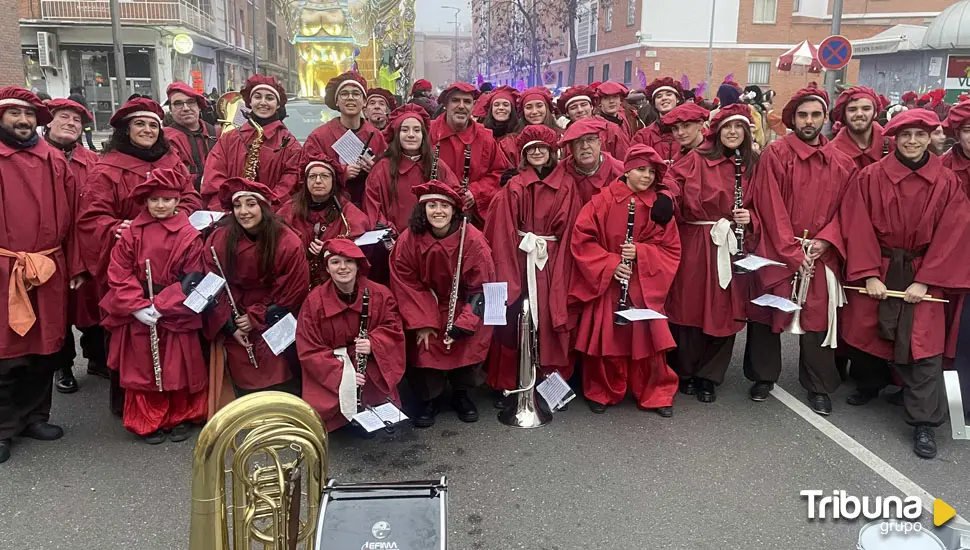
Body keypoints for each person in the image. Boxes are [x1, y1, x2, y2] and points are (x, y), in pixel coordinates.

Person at [839, 109, 970, 459]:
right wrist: (868, 273)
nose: (912, 141)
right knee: (868, 329)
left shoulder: (946, 182)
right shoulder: (869, 177)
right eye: (905, 135)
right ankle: (870, 384)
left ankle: (924, 422)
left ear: (931, 138)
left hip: (924, 269)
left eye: (920, 135)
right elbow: (857, 224)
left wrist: (926, 281)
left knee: (925, 346)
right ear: (893, 138)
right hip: (880, 264)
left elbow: (953, 233)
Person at [745, 85, 856, 416]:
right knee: (767, 313)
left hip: (820, 251)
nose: (809, 121)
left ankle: (819, 384)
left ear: (825, 118)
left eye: (816, 115)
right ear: (793, 118)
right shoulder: (775, 154)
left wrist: (826, 241)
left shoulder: (843, 162)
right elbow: (769, 203)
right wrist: (791, 249)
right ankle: (763, 376)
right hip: (778, 248)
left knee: (817, 318)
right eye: (803, 115)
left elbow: (848, 210)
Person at [0, 87, 86, 465]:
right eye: (14, 114)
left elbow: (75, 218)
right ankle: (3, 428)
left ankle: (35, 417)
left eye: (29, 115)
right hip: (4, 269)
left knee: (44, 349)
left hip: (49, 268)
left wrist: (77, 265)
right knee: (5, 354)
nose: (23, 121)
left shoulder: (53, 160)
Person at [569, 144, 681, 416]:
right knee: (607, 340)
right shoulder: (602, 200)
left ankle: (654, 393)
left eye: (652, 172)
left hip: (643, 284)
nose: (646, 177)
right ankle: (602, 390)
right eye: (641, 170)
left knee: (649, 342)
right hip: (611, 283)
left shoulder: (659, 205)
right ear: (627, 170)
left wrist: (641, 252)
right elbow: (582, 239)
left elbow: (671, 248)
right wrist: (612, 263)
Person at [99, 168, 207, 444]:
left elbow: (193, 276)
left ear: (177, 201)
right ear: (146, 201)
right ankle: (149, 419)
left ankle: (179, 415)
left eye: (167, 200)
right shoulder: (133, 232)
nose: (161, 205)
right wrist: (136, 305)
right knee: (144, 368)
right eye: (155, 200)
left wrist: (162, 305)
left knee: (178, 365)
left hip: (174, 308)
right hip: (138, 307)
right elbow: (119, 270)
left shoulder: (189, 234)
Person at [663, 104, 758, 403]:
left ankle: (710, 376)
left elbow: (768, 201)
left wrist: (751, 217)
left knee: (723, 310)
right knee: (688, 307)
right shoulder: (696, 158)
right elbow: (671, 184)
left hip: (730, 242)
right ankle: (685, 370)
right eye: (727, 127)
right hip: (695, 239)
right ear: (716, 130)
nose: (732, 132)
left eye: (738, 127)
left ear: (746, 131)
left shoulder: (755, 164)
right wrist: (665, 200)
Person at [484, 125, 581, 399]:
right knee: (515, 317)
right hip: (518, 256)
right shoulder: (514, 185)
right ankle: (511, 379)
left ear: (552, 151)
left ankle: (549, 383)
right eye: (531, 148)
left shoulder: (567, 184)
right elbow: (501, 228)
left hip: (550, 261)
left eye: (542, 147)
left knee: (551, 317)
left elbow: (572, 228)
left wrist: (563, 268)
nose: (537, 151)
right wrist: (508, 274)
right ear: (525, 153)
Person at [389, 180, 495, 428]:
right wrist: (423, 323)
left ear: (454, 211)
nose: (438, 211)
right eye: (432, 205)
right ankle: (429, 399)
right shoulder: (409, 239)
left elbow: (483, 287)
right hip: (426, 304)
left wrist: (464, 323)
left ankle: (461, 394)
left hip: (464, 302)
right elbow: (405, 283)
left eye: (444, 206)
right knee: (426, 344)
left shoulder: (473, 240)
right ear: (422, 210)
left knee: (470, 341)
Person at [203, 178, 309, 401]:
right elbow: (213, 285)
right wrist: (231, 325)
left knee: (278, 364)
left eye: (250, 204)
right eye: (237, 206)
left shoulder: (287, 241)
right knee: (240, 361)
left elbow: (292, 289)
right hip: (234, 311)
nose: (243, 212)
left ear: (263, 206)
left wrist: (257, 316)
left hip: (273, 310)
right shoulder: (219, 239)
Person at [296, 239, 406, 433]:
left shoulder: (380, 294)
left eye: (349, 261)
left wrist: (374, 343)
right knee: (325, 406)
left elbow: (393, 328)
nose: (343, 267)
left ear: (358, 266)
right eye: (335, 262)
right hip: (331, 364)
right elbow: (309, 348)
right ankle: (342, 419)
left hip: (369, 360)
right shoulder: (314, 302)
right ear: (327, 269)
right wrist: (343, 375)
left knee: (376, 393)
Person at [43, 99, 108, 393]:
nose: (71, 123)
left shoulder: (93, 161)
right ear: (49, 122)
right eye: (64, 117)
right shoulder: (36, 157)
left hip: (85, 244)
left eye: (76, 120)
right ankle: (63, 365)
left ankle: (96, 358)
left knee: (91, 304)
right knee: (57, 310)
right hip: (49, 246)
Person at [202, 75, 302, 209]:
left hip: (271, 218)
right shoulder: (229, 139)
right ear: (249, 101)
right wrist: (229, 208)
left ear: (278, 105)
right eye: (258, 97)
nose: (263, 102)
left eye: (270, 98)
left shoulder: (290, 144)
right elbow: (213, 176)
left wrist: (265, 207)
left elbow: (291, 183)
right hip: (231, 215)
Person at [364, 104, 460, 234]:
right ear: (396, 135)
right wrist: (388, 232)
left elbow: (454, 197)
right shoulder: (382, 168)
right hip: (393, 241)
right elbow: (372, 207)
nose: (411, 135)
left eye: (416, 130)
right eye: (404, 130)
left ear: (423, 135)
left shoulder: (437, 165)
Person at [277, 152, 368, 288]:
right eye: (312, 176)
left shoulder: (346, 209)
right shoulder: (290, 208)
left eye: (325, 176)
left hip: (336, 282)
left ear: (333, 181)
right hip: (297, 280)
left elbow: (359, 241)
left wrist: (330, 248)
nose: (318, 181)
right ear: (305, 181)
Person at [430, 82, 511, 225]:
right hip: (433, 215)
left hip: (471, 219)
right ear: (446, 105)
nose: (461, 106)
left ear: (473, 106)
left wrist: (475, 192)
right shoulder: (428, 132)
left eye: (467, 101)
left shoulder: (485, 138)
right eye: (455, 100)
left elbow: (500, 173)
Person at [303, 72, 388, 207]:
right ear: (336, 101)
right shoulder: (319, 136)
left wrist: (374, 170)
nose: (350, 98)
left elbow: (387, 173)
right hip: (331, 207)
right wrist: (342, 172)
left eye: (356, 93)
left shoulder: (376, 136)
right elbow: (306, 173)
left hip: (369, 206)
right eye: (344, 94)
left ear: (364, 101)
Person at [163, 82, 218, 190]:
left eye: (191, 102)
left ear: (199, 106)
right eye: (178, 104)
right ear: (170, 109)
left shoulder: (217, 133)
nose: (186, 108)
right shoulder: (164, 139)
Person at [557, 117, 625, 204]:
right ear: (571, 148)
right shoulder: (560, 172)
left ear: (599, 143)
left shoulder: (620, 172)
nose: (585, 146)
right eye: (578, 141)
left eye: (590, 139)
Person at [825, 86, 891, 171]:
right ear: (844, 115)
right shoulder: (830, 154)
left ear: (875, 113)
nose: (859, 114)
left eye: (866, 109)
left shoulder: (894, 147)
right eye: (852, 110)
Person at [557, 86, 630, 161]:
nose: (580, 110)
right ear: (567, 113)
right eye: (573, 107)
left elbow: (625, 161)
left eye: (584, 104)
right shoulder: (563, 136)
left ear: (591, 107)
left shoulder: (611, 129)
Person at [632, 77, 685, 163]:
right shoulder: (643, 136)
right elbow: (635, 164)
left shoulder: (691, 131)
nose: (664, 98)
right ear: (654, 104)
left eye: (669, 94)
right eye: (659, 96)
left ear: (678, 99)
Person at [659, 102, 710, 170]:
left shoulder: (714, 154)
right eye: (675, 128)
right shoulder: (677, 158)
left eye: (686, 126)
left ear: (700, 125)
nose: (680, 133)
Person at [480, 86, 521, 165]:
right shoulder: (482, 133)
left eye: (506, 105)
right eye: (496, 105)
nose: (501, 108)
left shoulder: (519, 135)